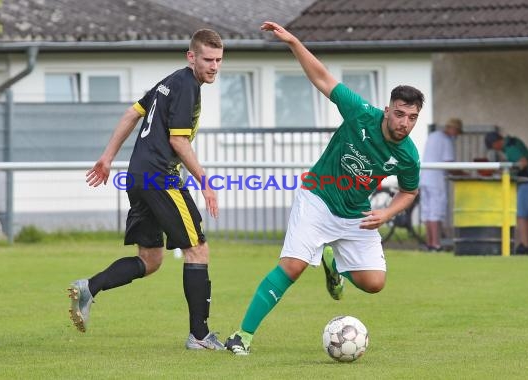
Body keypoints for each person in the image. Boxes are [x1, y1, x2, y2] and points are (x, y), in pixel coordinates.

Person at [224, 21, 424, 355]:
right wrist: (292, 42)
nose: (405, 122)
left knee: (375, 284)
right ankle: (242, 337)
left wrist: (386, 213)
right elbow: (322, 77)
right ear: (388, 110)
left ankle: (334, 268)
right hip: (317, 198)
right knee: (293, 267)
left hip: (356, 215)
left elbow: (409, 191)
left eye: (412, 117)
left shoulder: (408, 156)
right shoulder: (360, 113)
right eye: (400, 114)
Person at [68, 29, 226, 350]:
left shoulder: (168, 82)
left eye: (219, 60)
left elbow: (131, 114)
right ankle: (199, 335)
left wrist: (108, 157)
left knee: (151, 259)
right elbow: (178, 141)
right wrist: (205, 182)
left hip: (137, 176)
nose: (213, 66)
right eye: (208, 59)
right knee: (197, 249)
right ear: (191, 56)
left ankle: (89, 287)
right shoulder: (187, 87)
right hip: (160, 178)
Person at [485, 131, 528, 254]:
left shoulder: (510, 147)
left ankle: (525, 245)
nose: (495, 150)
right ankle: (527, 244)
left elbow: (523, 162)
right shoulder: (514, 141)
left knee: (522, 215)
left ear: (496, 142)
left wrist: (508, 173)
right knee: (526, 216)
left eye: (493, 147)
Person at [420, 118, 463, 251]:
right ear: (453, 129)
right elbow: (449, 164)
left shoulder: (432, 136)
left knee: (427, 212)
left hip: (424, 177)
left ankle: (429, 243)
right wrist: (464, 173)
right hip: (436, 179)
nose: (456, 135)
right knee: (436, 213)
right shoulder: (446, 140)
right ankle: (436, 244)